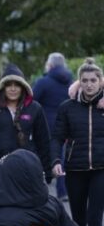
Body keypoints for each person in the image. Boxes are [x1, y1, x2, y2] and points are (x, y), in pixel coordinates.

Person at [51, 58, 104, 226]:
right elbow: (57, 137)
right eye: (85, 80)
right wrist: (55, 160)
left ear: (101, 82)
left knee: (95, 216)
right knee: (78, 217)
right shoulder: (68, 108)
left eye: (93, 80)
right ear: (79, 83)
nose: (89, 84)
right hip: (76, 168)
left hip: (101, 168)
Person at [0, 64, 52, 178]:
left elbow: (44, 141)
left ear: (23, 87)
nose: (13, 89)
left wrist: (46, 172)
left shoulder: (35, 108)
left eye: (17, 85)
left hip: (28, 168)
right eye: (9, 85)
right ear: (2, 88)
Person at [34, 52, 72, 201]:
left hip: (46, 125)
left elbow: (32, 100)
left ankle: (37, 191)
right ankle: (63, 192)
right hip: (66, 124)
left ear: (50, 65)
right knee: (62, 158)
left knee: (40, 157)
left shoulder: (44, 82)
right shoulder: (71, 82)